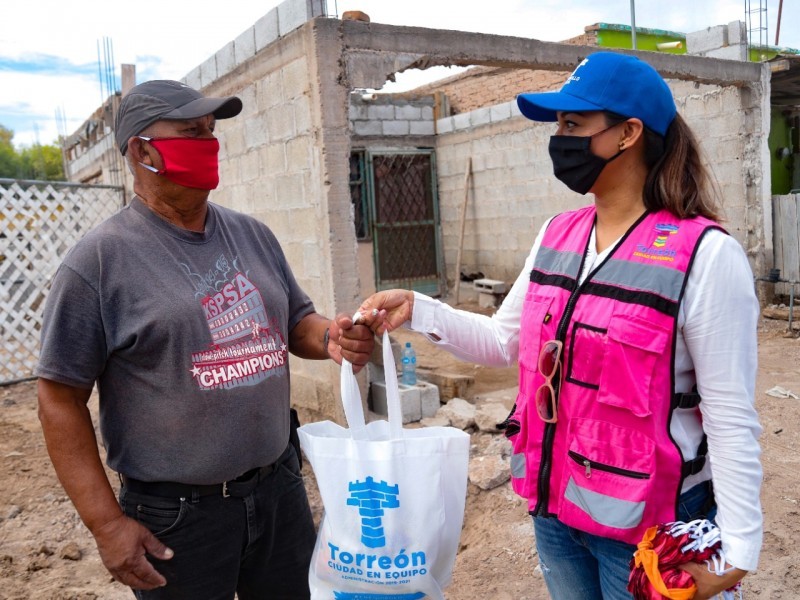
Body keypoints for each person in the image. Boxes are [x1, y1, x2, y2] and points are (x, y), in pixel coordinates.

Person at [357, 52, 762, 600]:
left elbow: (730, 416)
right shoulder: (556, 233)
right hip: (557, 513)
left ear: (628, 133)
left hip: (650, 532)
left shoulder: (706, 256)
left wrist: (736, 552)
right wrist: (420, 310)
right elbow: (507, 341)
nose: (559, 139)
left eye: (574, 124)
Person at [35, 79, 374, 599]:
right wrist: (107, 526)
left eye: (211, 132)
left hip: (279, 489)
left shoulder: (252, 234)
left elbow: (295, 322)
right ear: (144, 152)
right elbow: (58, 399)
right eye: (191, 132)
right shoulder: (98, 264)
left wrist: (331, 335)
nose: (209, 144)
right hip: (176, 519)